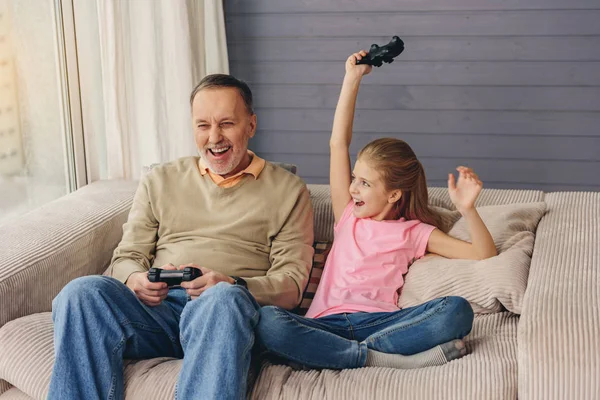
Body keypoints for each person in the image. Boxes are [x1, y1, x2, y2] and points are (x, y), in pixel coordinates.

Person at [48, 74, 315, 399]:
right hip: (156, 312)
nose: (214, 137)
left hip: (226, 315)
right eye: (203, 125)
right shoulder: (160, 180)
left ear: (251, 125)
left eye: (226, 123)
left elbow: (292, 285)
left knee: (221, 300)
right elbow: (126, 256)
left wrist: (231, 284)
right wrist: (135, 278)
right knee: (82, 292)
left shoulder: (288, 190)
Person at [256, 51, 498, 370]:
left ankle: (351, 353)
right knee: (267, 321)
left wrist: (468, 210)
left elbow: (483, 255)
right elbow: (337, 144)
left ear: (394, 194)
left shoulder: (414, 232)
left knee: (456, 311)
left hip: (382, 325)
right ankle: (375, 358)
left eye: (365, 183)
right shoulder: (347, 215)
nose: (354, 188)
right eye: (355, 178)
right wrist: (352, 78)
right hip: (325, 324)